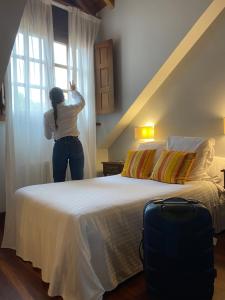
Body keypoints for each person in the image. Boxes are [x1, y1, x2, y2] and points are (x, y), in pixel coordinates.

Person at [44, 82, 85, 182]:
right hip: (75, 144)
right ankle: (78, 198)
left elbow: (48, 136)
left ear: (51, 99)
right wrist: (74, 91)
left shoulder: (47, 114)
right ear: (63, 97)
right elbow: (82, 102)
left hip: (60, 146)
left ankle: (60, 198)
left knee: (58, 179)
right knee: (78, 179)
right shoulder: (72, 109)